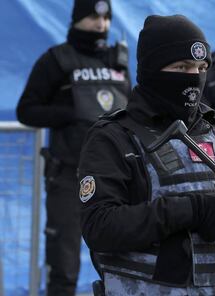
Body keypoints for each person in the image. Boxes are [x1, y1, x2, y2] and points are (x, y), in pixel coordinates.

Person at [78, 14, 215, 295]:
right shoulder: (115, 137)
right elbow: (99, 227)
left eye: (202, 67)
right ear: (153, 69)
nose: (195, 76)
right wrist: (190, 209)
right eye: (183, 66)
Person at [16, 0, 130, 295]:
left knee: (123, 262)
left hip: (114, 177)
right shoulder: (56, 60)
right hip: (68, 175)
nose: (101, 25)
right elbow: (26, 110)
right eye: (93, 17)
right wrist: (70, 113)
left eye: (106, 19)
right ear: (77, 19)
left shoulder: (118, 61)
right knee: (64, 264)